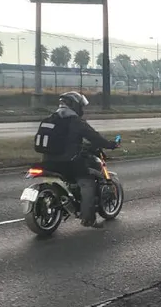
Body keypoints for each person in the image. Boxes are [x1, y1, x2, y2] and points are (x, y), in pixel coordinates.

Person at [35, 91, 121, 227]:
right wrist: (111, 144)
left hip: (47, 161)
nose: (82, 109)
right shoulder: (75, 121)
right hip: (68, 162)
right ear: (75, 106)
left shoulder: (50, 118)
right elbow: (94, 137)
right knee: (87, 183)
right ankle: (88, 218)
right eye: (81, 106)